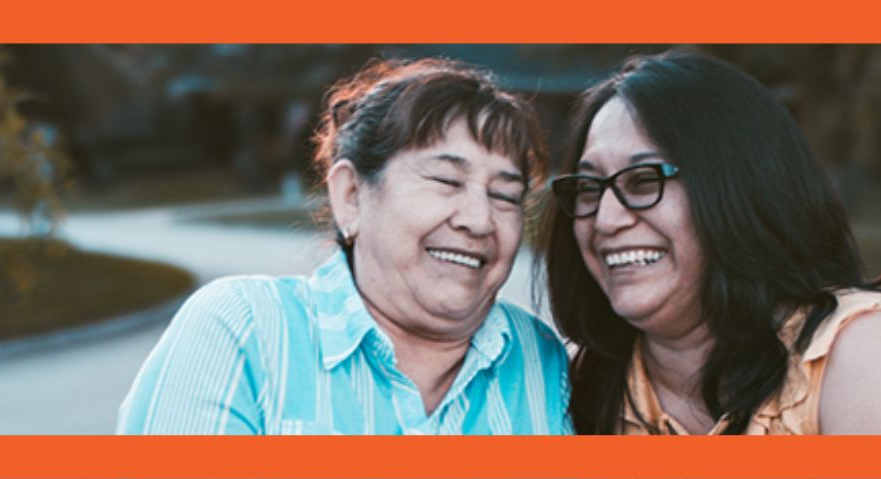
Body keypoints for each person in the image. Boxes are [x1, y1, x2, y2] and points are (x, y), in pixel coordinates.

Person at [119, 58, 568, 435]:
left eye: (505, 195)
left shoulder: (541, 360)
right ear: (351, 196)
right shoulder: (245, 331)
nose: (478, 219)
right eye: (446, 180)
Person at [540, 52, 881, 435]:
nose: (606, 220)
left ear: (737, 190)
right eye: (590, 188)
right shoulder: (581, 382)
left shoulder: (863, 356)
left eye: (645, 180)